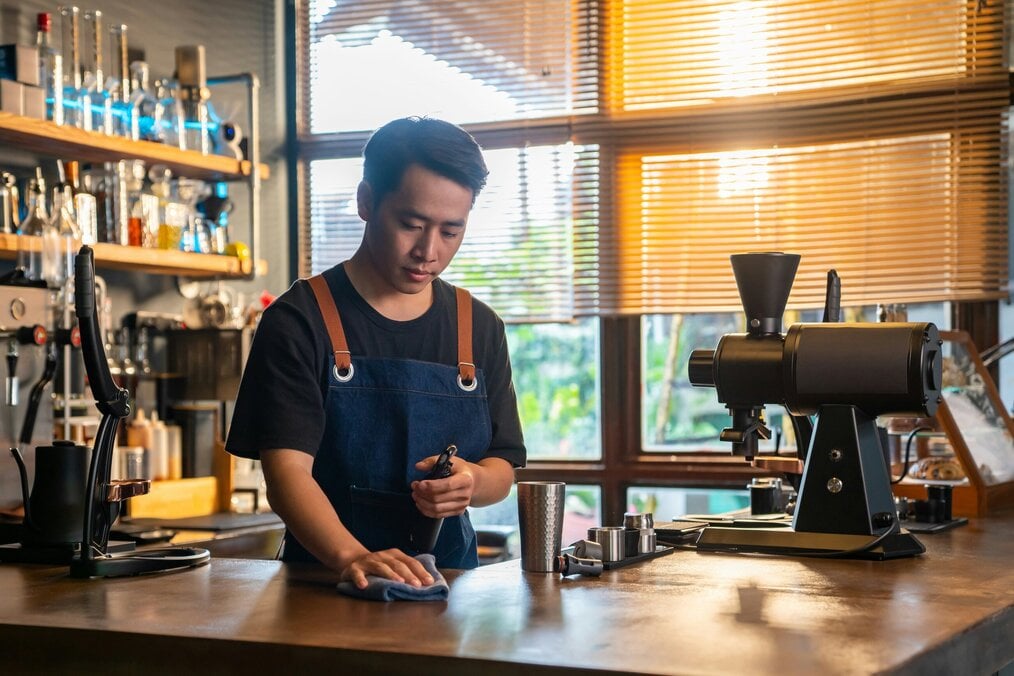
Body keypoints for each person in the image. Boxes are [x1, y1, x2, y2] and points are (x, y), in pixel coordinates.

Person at [226, 117, 526, 590]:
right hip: (324, 587)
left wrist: (470, 482)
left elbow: (502, 467)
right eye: (411, 224)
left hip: (450, 588)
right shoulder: (300, 320)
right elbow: (287, 474)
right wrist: (353, 557)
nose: (428, 250)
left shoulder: (478, 326)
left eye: (451, 231)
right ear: (367, 202)